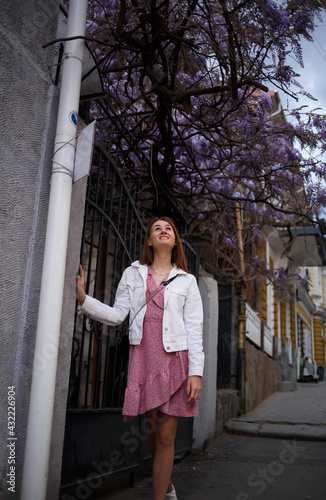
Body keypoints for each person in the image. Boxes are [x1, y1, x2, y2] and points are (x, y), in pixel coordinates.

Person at [76, 216, 204, 500]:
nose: (163, 231)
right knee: (154, 431)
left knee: (167, 436)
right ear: (149, 240)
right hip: (144, 357)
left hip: (174, 357)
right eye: (157, 228)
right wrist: (84, 300)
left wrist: (196, 372)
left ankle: (159, 496)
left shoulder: (187, 281)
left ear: (174, 241)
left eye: (168, 228)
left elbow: (194, 329)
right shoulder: (132, 274)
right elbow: (118, 314)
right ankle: (166, 484)